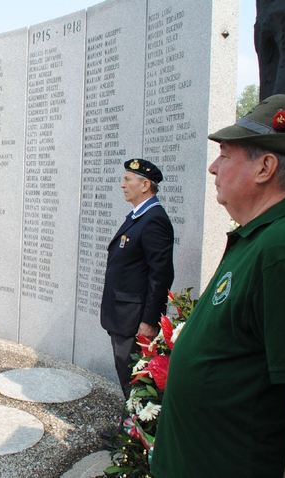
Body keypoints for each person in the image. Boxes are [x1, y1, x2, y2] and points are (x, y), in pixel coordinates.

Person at [152, 94, 285, 478]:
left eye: (225, 154)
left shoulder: (284, 247)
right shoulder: (260, 237)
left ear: (265, 167)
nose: (212, 167)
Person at [100, 158, 174, 438]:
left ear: (145, 185)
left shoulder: (154, 219)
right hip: (122, 315)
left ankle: (132, 437)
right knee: (128, 377)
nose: (122, 184)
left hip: (134, 320)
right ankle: (130, 432)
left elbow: (161, 275)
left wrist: (149, 321)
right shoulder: (139, 216)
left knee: (134, 379)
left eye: (128, 180)